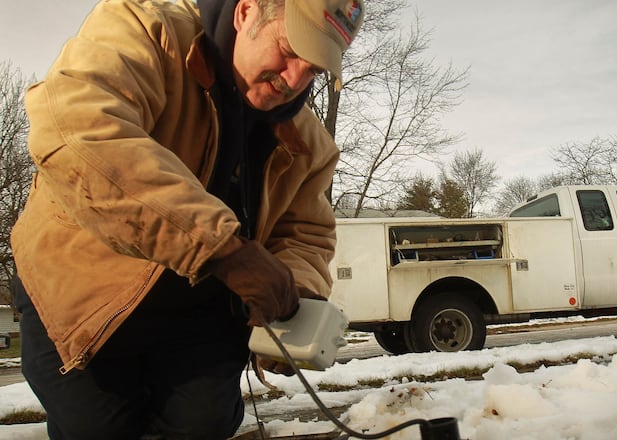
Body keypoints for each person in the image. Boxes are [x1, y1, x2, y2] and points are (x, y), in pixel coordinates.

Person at [10, 0, 364, 438]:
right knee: (99, 428)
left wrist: (294, 298)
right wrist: (224, 249)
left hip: (199, 315)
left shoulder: (310, 144)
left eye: (312, 69)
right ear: (246, 11)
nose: (294, 80)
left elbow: (305, 232)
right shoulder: (143, 30)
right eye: (289, 51)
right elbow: (81, 133)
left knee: (205, 424)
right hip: (81, 292)